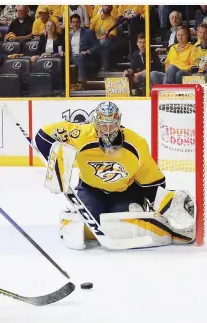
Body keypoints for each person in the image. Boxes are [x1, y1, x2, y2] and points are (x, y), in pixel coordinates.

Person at [35, 102, 195, 250]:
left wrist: (159, 205)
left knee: (121, 226)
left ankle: (125, 216)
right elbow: (43, 136)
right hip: (91, 190)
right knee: (85, 228)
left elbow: (152, 180)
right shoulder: (80, 135)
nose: (108, 130)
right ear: (95, 123)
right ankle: (70, 218)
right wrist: (57, 163)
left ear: (119, 123)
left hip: (125, 193)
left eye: (112, 125)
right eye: (103, 125)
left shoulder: (136, 144)